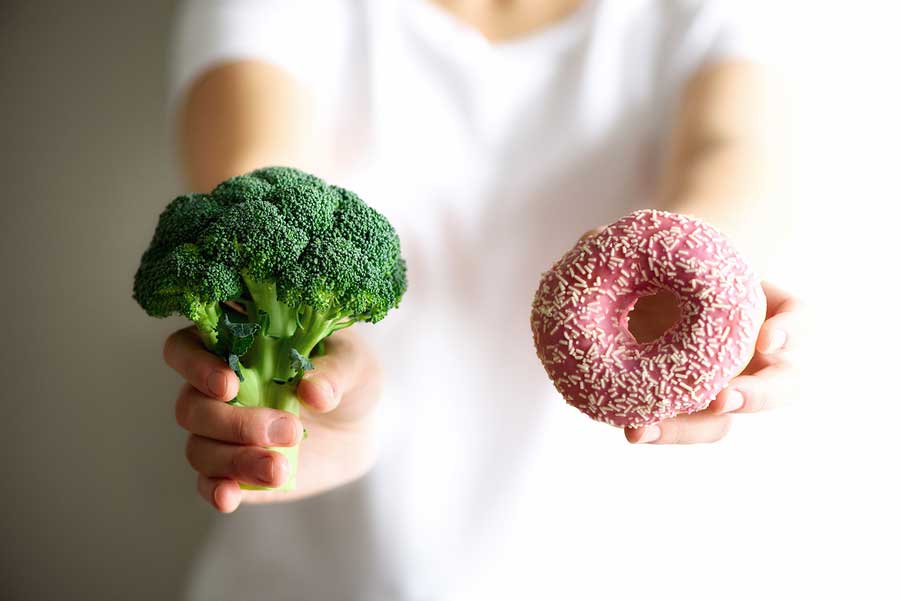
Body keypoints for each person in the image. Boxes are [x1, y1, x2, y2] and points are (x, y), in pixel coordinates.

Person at [161, 0, 803, 598]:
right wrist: (312, 376)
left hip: (631, 569)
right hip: (319, 573)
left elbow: (737, 153)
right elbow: (257, 194)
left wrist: (712, 292)